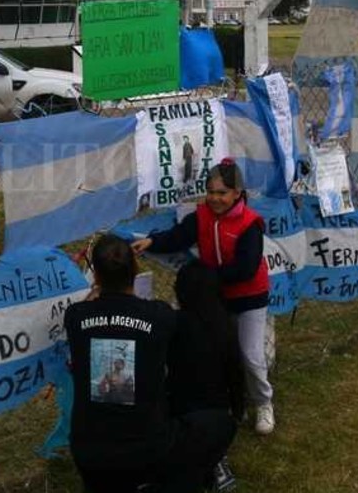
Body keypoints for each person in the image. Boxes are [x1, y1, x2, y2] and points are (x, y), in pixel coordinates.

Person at [66, 235, 235, 493]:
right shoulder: (160, 315)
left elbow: (86, 314)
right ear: (134, 271)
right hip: (148, 450)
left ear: (96, 276)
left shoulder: (76, 317)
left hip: (89, 453)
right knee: (221, 423)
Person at [132, 158, 276, 435]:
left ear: (237, 194)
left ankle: (264, 402)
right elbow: (178, 236)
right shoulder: (200, 216)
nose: (214, 198)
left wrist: (206, 277)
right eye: (210, 191)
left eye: (222, 193)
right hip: (216, 299)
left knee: (250, 355)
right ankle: (233, 402)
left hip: (249, 298)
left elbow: (246, 269)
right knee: (217, 352)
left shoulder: (250, 224)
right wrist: (152, 241)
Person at [170, 262, 244, 490]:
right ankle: (216, 460)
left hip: (179, 413)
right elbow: (236, 374)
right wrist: (238, 410)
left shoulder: (176, 324)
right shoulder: (226, 326)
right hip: (219, 415)